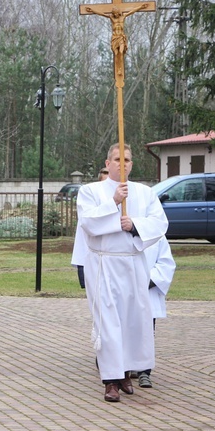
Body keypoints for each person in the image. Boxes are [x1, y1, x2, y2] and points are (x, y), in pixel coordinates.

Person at [76, 143, 168, 403]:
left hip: (133, 263)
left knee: (132, 320)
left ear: (132, 164)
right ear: (107, 163)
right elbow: (88, 223)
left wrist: (135, 225)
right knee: (109, 321)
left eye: (127, 160)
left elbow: (160, 222)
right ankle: (110, 380)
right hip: (104, 264)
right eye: (117, 159)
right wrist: (114, 203)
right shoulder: (90, 191)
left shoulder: (145, 192)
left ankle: (126, 372)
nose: (122, 164)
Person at [135, 237, 176, 388]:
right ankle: (126, 367)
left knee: (146, 333)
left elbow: (166, 263)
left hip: (148, 292)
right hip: (126, 290)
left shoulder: (157, 236)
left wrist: (147, 280)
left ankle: (144, 371)